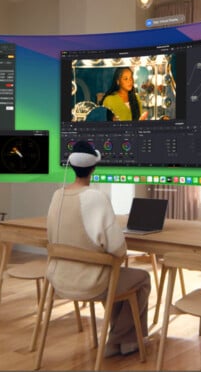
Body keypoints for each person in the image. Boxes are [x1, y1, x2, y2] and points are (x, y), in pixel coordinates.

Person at [45, 140, 151, 357]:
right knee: (141, 279)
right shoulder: (96, 197)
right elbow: (118, 249)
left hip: (59, 279)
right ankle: (120, 340)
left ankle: (124, 340)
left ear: (72, 166)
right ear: (93, 167)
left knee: (118, 276)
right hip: (92, 283)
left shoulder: (57, 196)